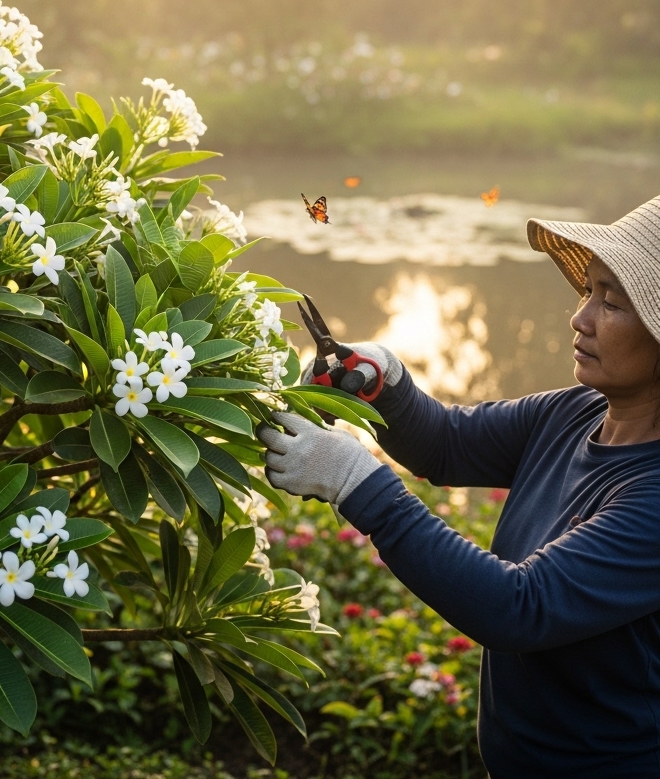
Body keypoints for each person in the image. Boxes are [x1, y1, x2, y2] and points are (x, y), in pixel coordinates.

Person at [258, 196, 660, 779]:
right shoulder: (574, 412)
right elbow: (446, 444)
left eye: (614, 302)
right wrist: (387, 385)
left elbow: (518, 607)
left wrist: (354, 480)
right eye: (588, 290)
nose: (582, 317)